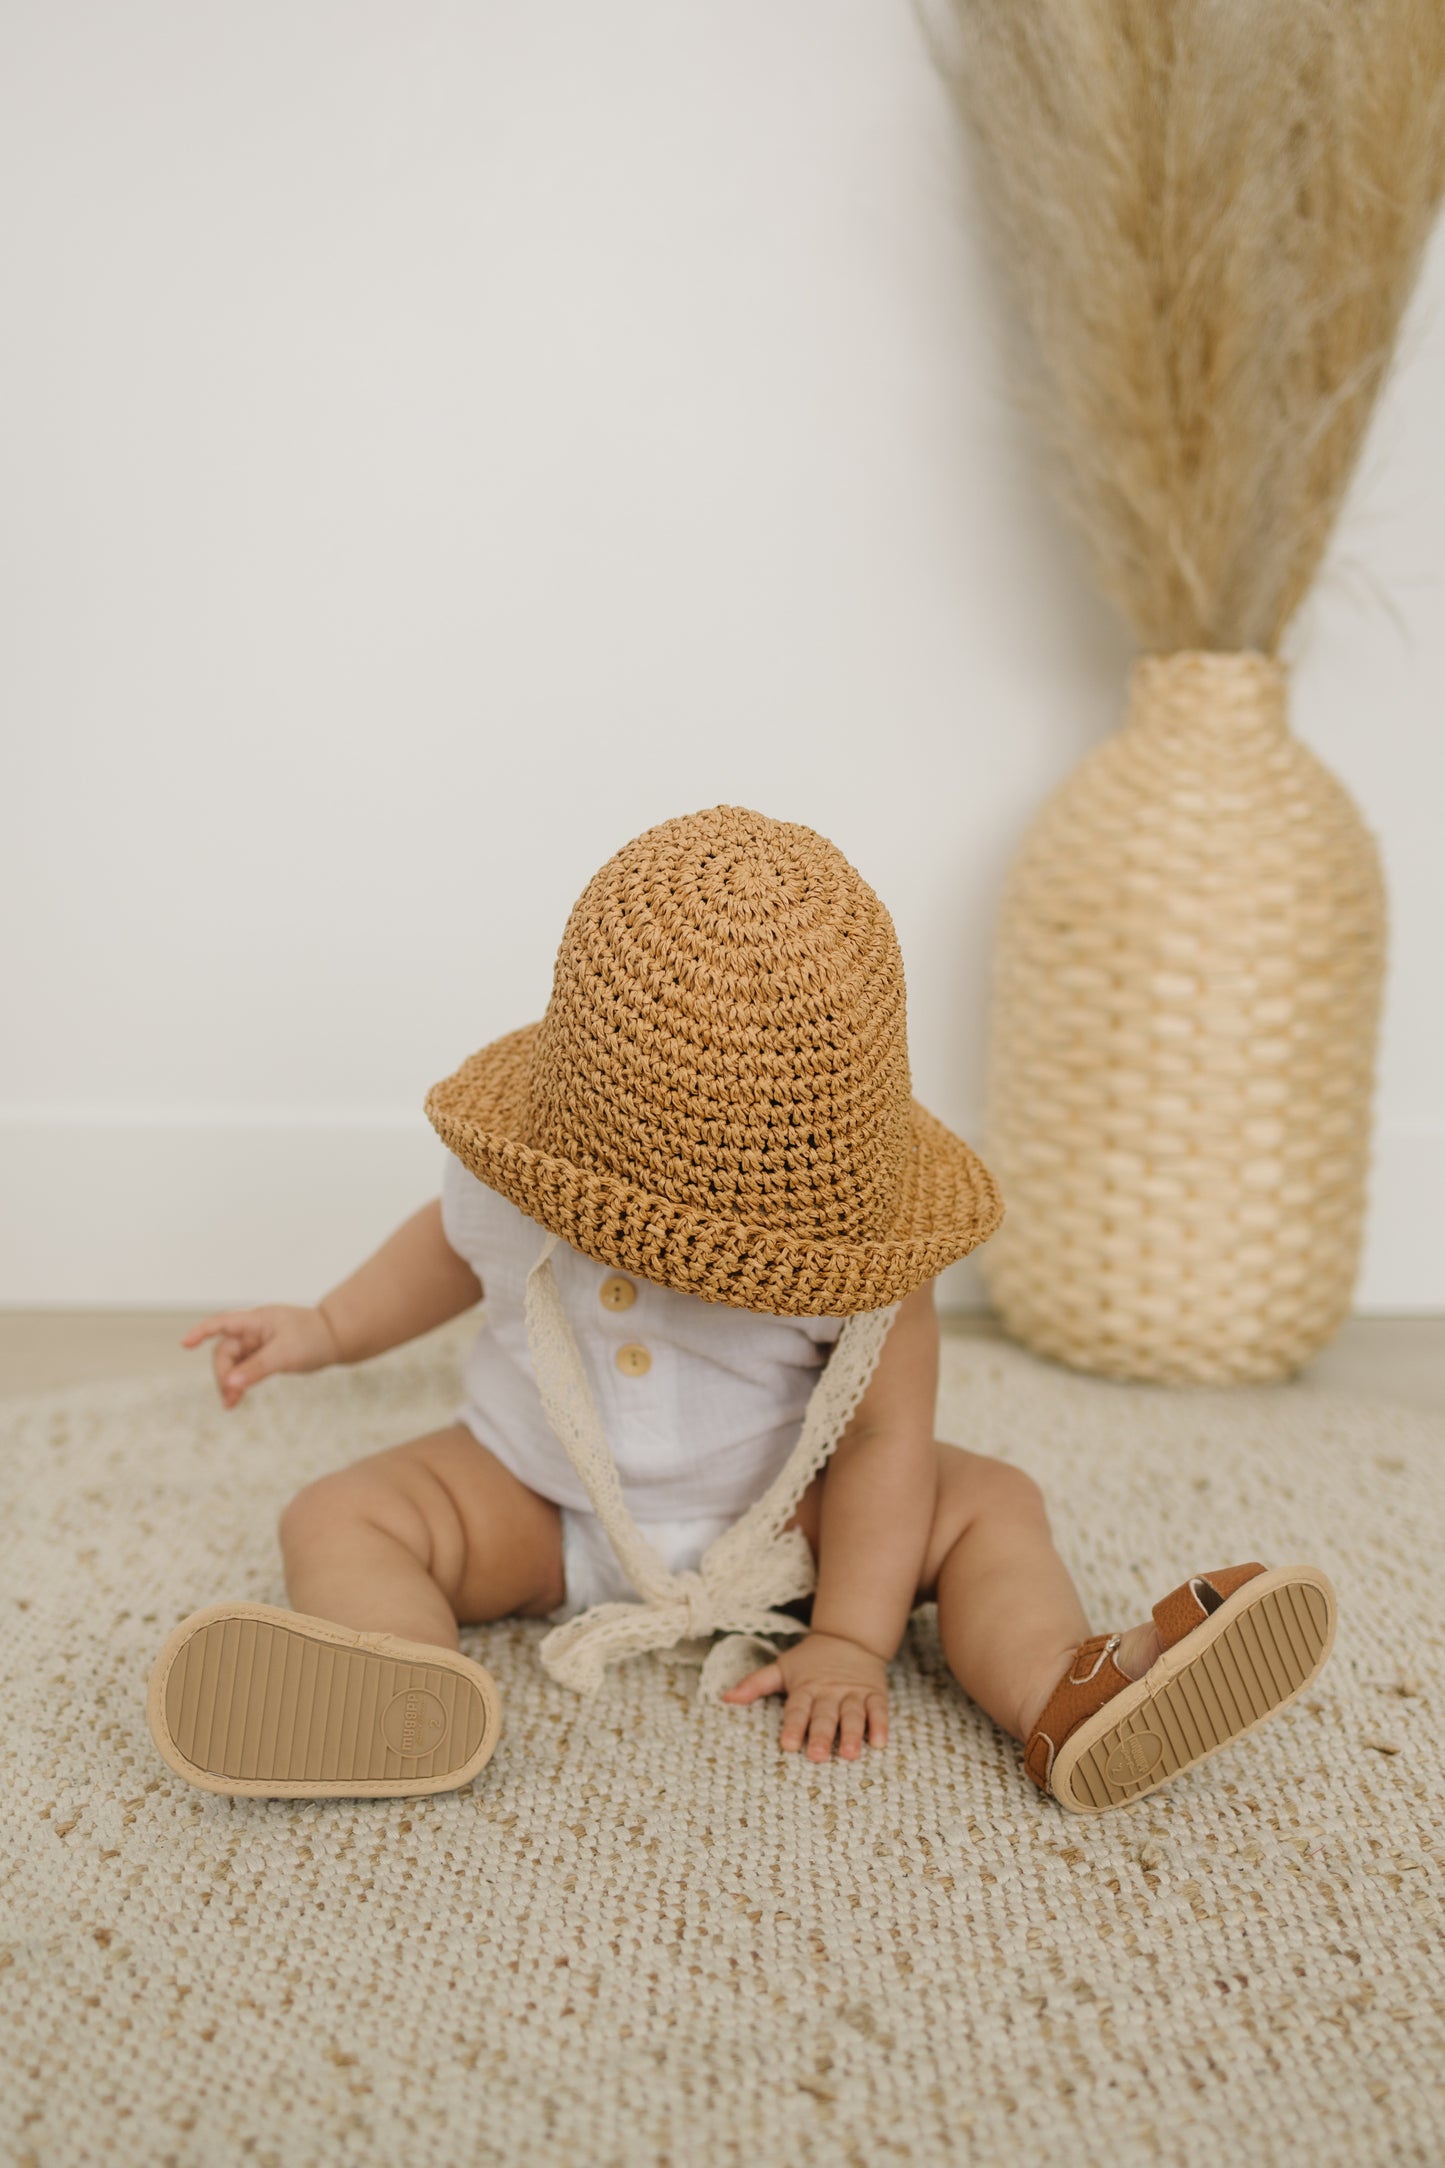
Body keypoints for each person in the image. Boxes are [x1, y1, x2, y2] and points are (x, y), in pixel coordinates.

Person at [146, 804, 1336, 1810]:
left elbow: (879, 1441)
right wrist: (325, 1325)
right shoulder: (515, 1175)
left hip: (787, 1522)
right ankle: (391, 1680)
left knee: (986, 1506)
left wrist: (850, 1635)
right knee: (343, 1512)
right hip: (538, 1499)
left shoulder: (862, 1257)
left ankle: (1065, 1689)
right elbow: (446, 1252)